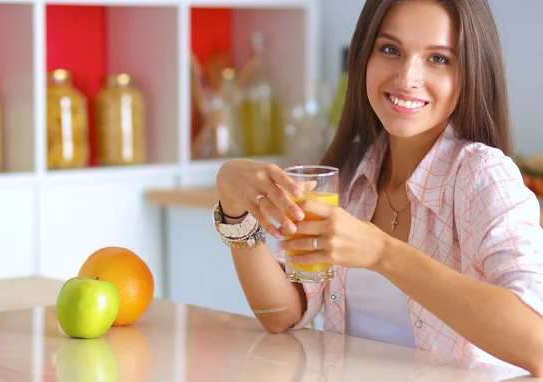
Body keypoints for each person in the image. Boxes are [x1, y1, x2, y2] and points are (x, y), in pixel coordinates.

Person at [212, 0, 543, 377]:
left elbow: (536, 342)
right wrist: (234, 210)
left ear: (470, 73)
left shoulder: (483, 175)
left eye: (438, 59)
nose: (406, 78)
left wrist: (383, 253)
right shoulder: (353, 171)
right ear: (363, 58)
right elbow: (282, 316)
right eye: (390, 50)